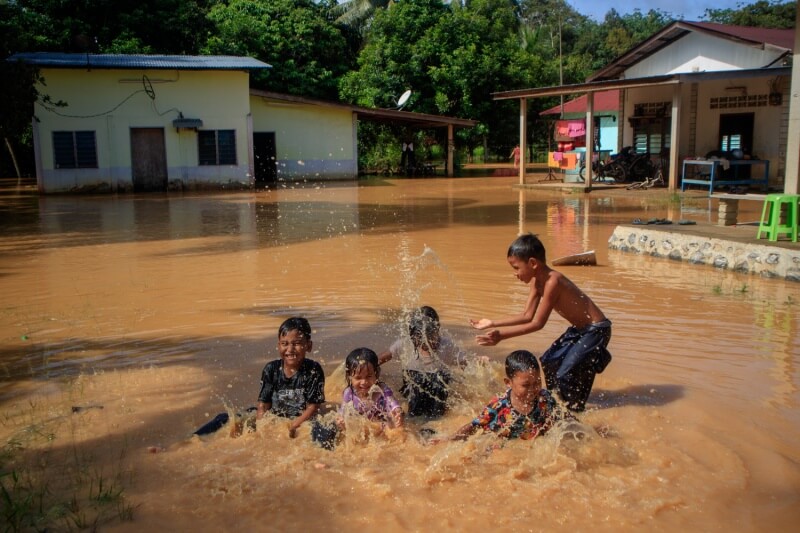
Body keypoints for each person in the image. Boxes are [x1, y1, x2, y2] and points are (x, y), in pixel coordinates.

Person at [470, 233, 611, 411]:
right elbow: (527, 315)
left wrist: (502, 336)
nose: (516, 274)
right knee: (549, 361)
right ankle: (553, 404)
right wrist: (493, 323)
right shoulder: (537, 281)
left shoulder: (553, 281)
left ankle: (573, 410)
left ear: (533, 263)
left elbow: (538, 323)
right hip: (580, 330)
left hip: (595, 330)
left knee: (565, 373)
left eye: (516, 268)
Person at [437, 350, 565, 441]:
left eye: (537, 382)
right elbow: (475, 425)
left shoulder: (545, 398)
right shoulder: (499, 405)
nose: (533, 389)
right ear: (508, 383)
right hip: (505, 444)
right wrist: (449, 439)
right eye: (526, 385)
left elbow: (563, 417)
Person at [379, 306, 468, 418]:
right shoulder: (405, 344)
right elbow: (379, 360)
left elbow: (465, 364)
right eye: (420, 339)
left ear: (437, 330)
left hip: (438, 391)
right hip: (413, 390)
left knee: (437, 415)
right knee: (412, 415)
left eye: (430, 337)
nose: (426, 343)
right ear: (412, 335)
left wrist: (479, 366)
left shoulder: (447, 346)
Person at [312, 348, 403, 450]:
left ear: (376, 374)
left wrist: (397, 411)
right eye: (358, 378)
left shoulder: (382, 391)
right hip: (362, 428)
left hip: (380, 426)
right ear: (350, 377)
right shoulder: (349, 393)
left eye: (369, 376)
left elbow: (392, 404)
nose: (364, 382)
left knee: (393, 432)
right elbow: (343, 411)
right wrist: (341, 420)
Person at [256, 317, 325, 438]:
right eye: (284, 344)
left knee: (322, 433)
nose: (290, 349)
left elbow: (313, 408)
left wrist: (293, 426)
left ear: (308, 345)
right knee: (225, 419)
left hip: (302, 422)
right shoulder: (271, 369)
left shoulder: (313, 370)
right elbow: (263, 405)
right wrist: (261, 429)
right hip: (276, 419)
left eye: (297, 343)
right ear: (278, 345)